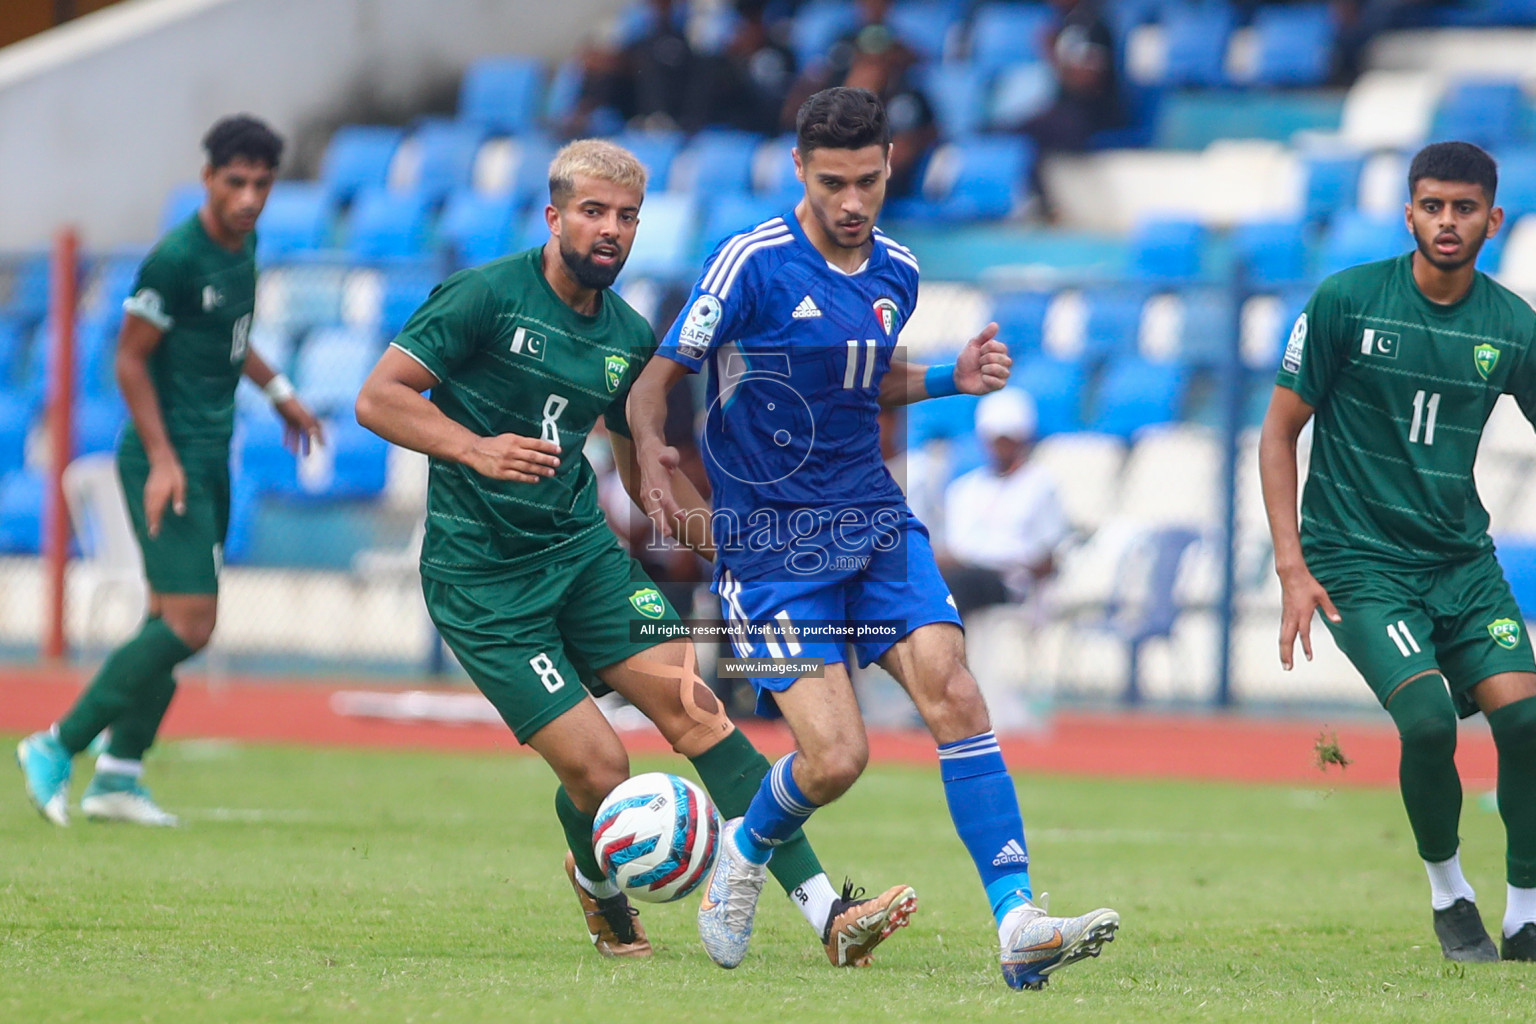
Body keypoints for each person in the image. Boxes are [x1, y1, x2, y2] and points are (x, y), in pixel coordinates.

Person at [353, 138, 915, 967]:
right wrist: (475, 448)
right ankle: (596, 881)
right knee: (601, 767)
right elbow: (378, 398)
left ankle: (830, 914)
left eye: (626, 217)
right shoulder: (482, 297)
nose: (610, 229)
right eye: (592, 212)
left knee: (699, 711)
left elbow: (642, 475)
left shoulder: (626, 334)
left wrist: (724, 545)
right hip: (484, 584)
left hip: (583, 558)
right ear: (554, 217)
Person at [626, 87, 1119, 989]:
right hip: (772, 547)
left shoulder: (897, 269)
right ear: (799, 173)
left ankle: (1017, 921)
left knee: (957, 696)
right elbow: (656, 383)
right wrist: (657, 466)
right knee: (837, 759)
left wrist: (946, 376)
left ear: (891, 167)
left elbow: (861, 378)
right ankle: (744, 851)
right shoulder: (750, 263)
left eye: (868, 181)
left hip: (875, 523)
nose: (852, 202)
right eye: (832, 183)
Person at [1259, 140, 1536, 964]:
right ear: (1408, 211)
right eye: (1431, 205)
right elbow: (1278, 434)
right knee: (1424, 723)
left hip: (1461, 561)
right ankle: (1450, 892)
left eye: (1462, 208)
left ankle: (1525, 914)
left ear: (1493, 218)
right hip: (1357, 561)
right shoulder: (1348, 301)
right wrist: (1291, 567)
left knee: (1524, 722)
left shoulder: (1512, 325)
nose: (1445, 222)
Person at [16, 115, 323, 828]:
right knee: (191, 620)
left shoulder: (242, 247)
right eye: (236, 181)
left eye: (262, 184)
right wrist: (160, 459)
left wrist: (282, 395)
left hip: (211, 452)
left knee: (170, 617)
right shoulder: (176, 257)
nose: (249, 196)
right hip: (169, 455)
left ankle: (118, 776)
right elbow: (128, 358)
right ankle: (55, 743)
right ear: (209, 177)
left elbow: (232, 341)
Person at [939, 388, 1067, 619]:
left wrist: (1007, 561)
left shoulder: (1040, 484)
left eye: (1008, 439)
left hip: (1009, 582)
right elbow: (955, 546)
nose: (1001, 447)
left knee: (953, 586)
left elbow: (1047, 557)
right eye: (996, 440)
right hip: (966, 572)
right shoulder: (965, 488)